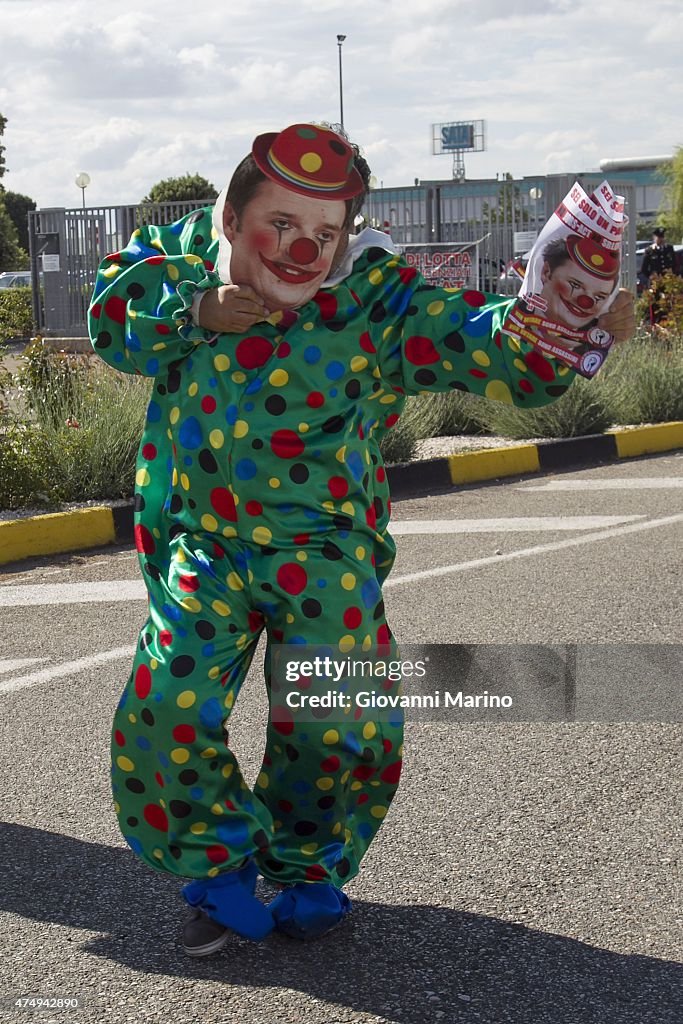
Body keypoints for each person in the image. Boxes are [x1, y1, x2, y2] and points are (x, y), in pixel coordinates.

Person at [88, 122, 636, 957]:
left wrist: (562, 322)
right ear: (232, 219)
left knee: (336, 716)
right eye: (279, 225)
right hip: (201, 539)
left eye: (325, 233)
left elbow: (484, 349)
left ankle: (309, 868)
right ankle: (218, 867)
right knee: (168, 702)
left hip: (323, 550)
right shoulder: (173, 260)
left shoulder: (376, 295)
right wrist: (196, 310)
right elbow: (112, 320)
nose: (302, 250)